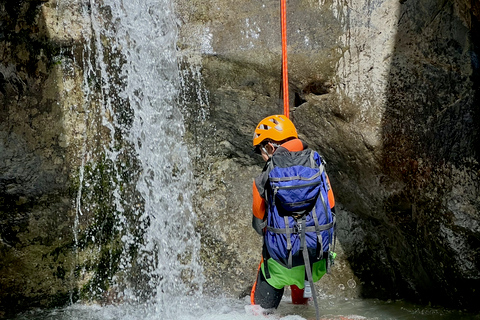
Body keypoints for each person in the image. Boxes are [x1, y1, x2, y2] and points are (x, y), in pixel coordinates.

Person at [250, 114, 336, 311]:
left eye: (260, 150)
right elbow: (331, 208)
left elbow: (258, 224)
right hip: (317, 263)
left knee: (260, 306)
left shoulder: (262, 179)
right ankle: (301, 304)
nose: (261, 156)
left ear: (270, 147)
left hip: (281, 266)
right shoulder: (318, 166)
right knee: (301, 288)